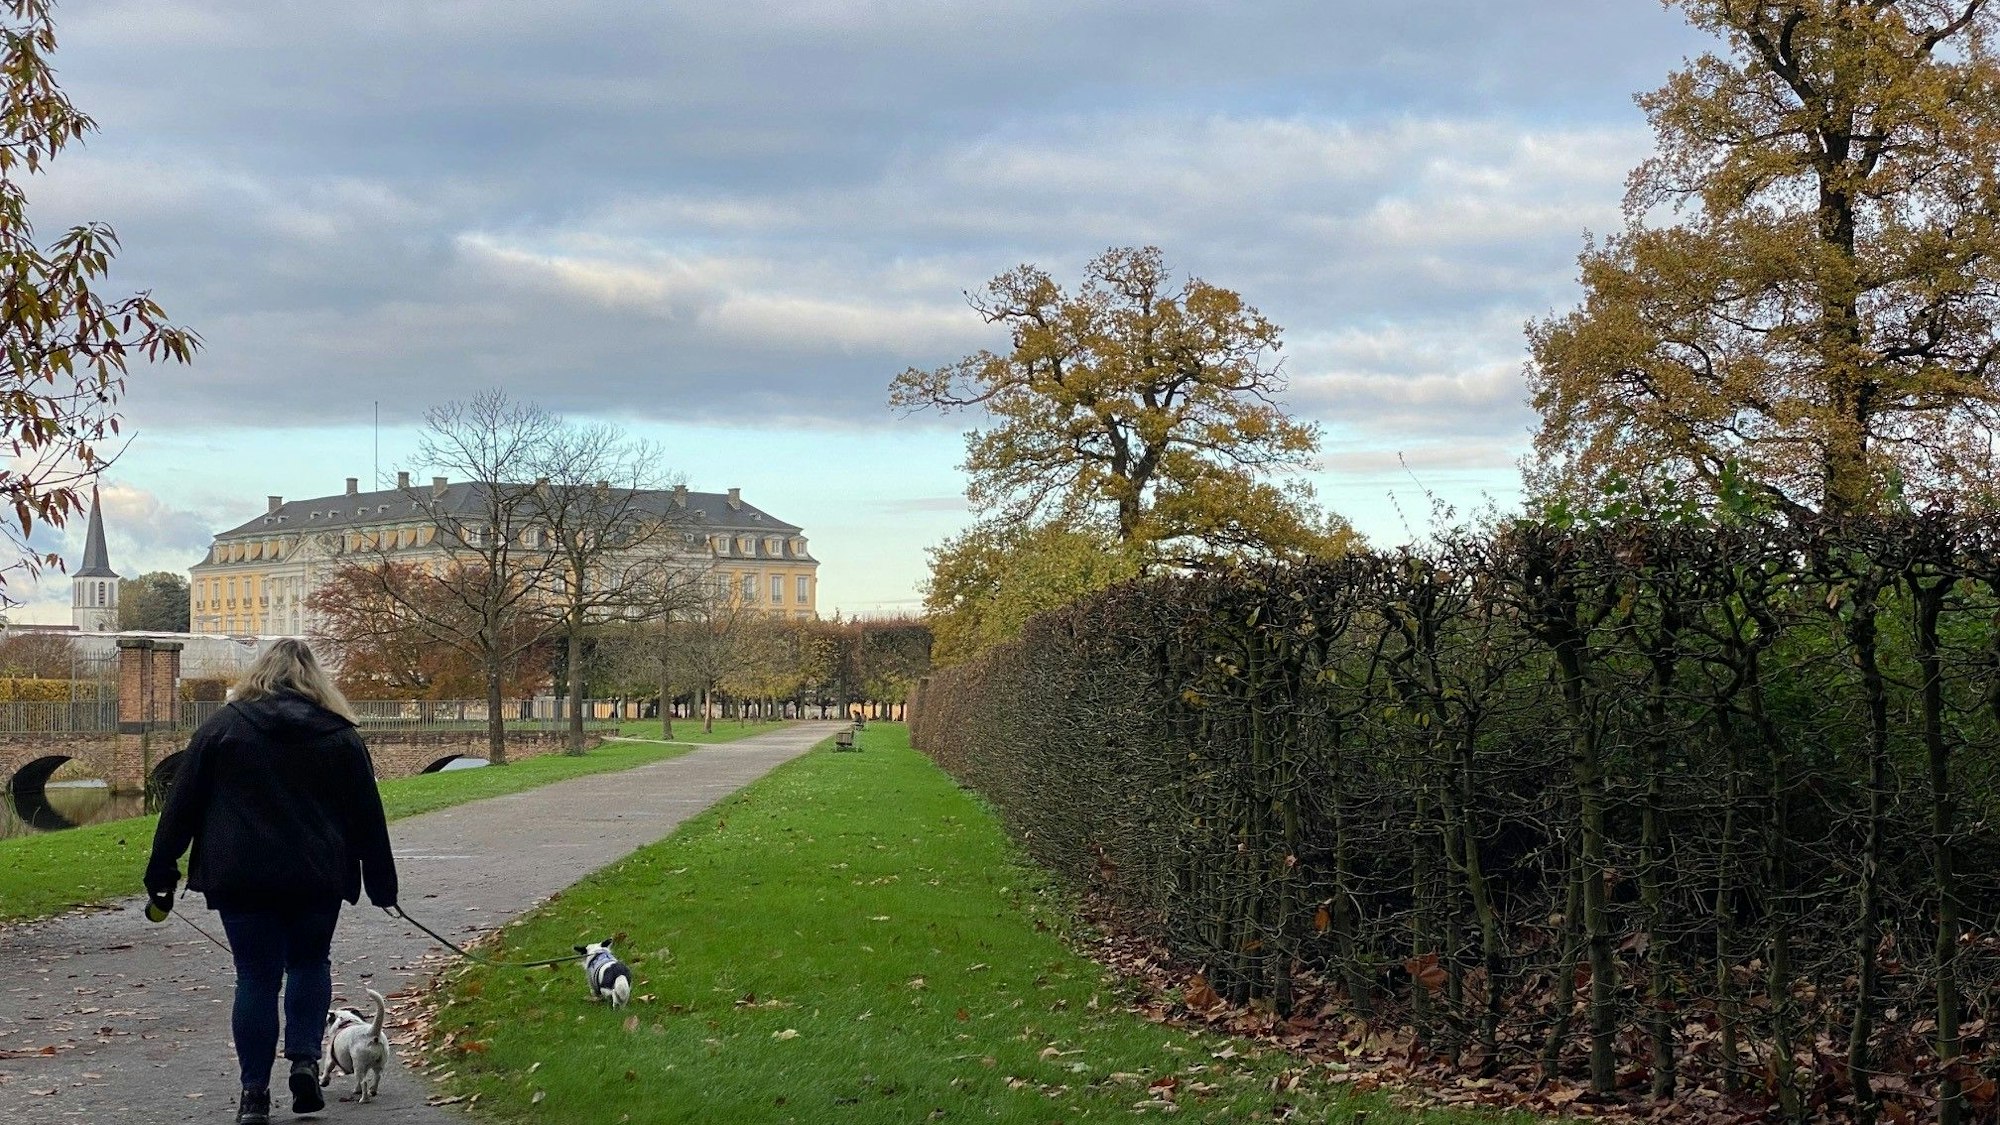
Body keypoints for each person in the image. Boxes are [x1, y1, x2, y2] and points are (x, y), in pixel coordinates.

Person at [145, 638, 398, 1125]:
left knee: (256, 977)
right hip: (317, 874)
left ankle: (254, 1094)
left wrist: (162, 872)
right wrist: (382, 884)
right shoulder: (340, 734)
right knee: (309, 962)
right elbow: (368, 816)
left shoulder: (221, 728)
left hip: (241, 875)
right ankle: (304, 1059)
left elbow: (181, 806)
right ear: (316, 679)